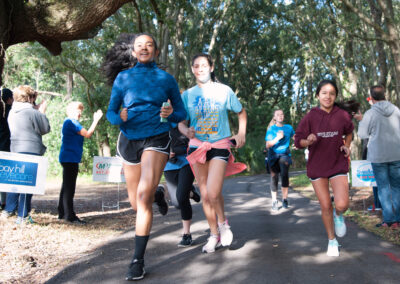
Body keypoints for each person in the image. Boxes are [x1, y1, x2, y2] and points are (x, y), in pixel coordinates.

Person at [104, 33, 186, 281]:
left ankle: (137, 260)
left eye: (149, 45)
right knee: (136, 203)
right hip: (129, 139)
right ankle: (157, 193)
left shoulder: (166, 79)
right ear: (133, 52)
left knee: (142, 195)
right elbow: (110, 112)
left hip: (157, 137)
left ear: (156, 51)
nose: (144, 48)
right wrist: (120, 118)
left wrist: (171, 113)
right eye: (139, 45)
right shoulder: (123, 78)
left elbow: (181, 112)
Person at [178, 53, 247, 254]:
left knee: (214, 191)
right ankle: (214, 234)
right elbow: (181, 122)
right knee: (206, 195)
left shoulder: (224, 91)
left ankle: (223, 223)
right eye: (196, 66)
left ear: (212, 67)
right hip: (197, 146)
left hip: (219, 144)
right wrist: (185, 131)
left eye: (204, 65)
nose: (200, 69)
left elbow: (241, 112)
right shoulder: (187, 95)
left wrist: (241, 132)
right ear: (193, 69)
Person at [294, 79, 354, 257]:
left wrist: (347, 145)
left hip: (337, 163)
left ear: (336, 96)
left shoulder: (342, 115)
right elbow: (298, 141)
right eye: (324, 93)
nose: (328, 96)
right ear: (318, 95)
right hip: (317, 166)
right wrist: (308, 141)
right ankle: (332, 240)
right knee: (325, 205)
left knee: (342, 204)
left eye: (332, 93)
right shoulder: (310, 116)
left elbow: (349, 131)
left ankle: (339, 215)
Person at [1, 85, 50, 224]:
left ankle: (9, 209)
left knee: (15, 181)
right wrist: (42, 112)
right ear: (28, 98)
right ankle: (23, 215)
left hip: (15, 147)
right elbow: (45, 128)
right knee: (28, 184)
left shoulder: (12, 111)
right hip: (31, 148)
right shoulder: (32, 113)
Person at [357, 85, 400, 229]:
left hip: (378, 156)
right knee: (397, 187)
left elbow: (362, 134)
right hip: (396, 154)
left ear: (372, 97)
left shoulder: (370, 113)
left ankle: (388, 220)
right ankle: (398, 220)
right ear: (385, 95)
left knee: (383, 188)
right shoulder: (396, 110)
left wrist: (362, 122)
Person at [58, 102, 103, 224]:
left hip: (69, 157)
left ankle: (62, 212)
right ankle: (69, 216)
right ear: (70, 111)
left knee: (66, 186)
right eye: (77, 110)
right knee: (69, 188)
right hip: (69, 158)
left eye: (80, 111)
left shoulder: (69, 122)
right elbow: (88, 134)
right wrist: (96, 120)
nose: (79, 113)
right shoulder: (72, 122)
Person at [162, 124, 200, 247]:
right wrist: (166, 153)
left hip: (186, 161)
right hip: (169, 166)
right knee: (177, 203)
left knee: (181, 197)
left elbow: (195, 140)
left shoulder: (184, 118)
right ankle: (191, 192)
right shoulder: (158, 122)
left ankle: (187, 235)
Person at [265, 109, 295, 210]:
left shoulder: (289, 128)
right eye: (278, 115)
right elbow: (268, 145)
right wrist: (278, 138)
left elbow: (296, 137)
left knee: (284, 175)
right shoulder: (271, 129)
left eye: (282, 114)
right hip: (273, 154)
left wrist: (298, 143)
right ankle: (274, 201)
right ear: (274, 117)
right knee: (274, 178)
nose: (280, 116)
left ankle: (285, 199)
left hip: (284, 154)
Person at [0, 88, 13, 210]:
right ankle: (4, 203)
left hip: (4, 148)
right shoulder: (8, 115)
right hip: (4, 149)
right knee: (4, 177)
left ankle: (3, 202)